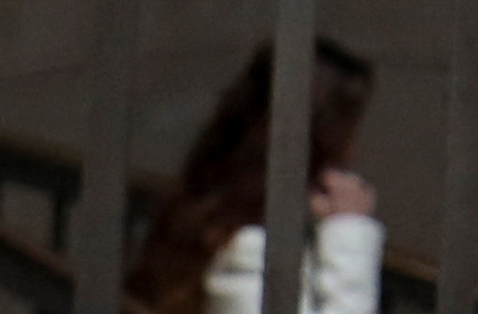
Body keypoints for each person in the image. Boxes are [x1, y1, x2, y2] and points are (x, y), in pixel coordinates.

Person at [124, 38, 379, 314]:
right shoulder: (250, 248)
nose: (352, 153)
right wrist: (348, 231)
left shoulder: (216, 213)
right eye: (346, 135)